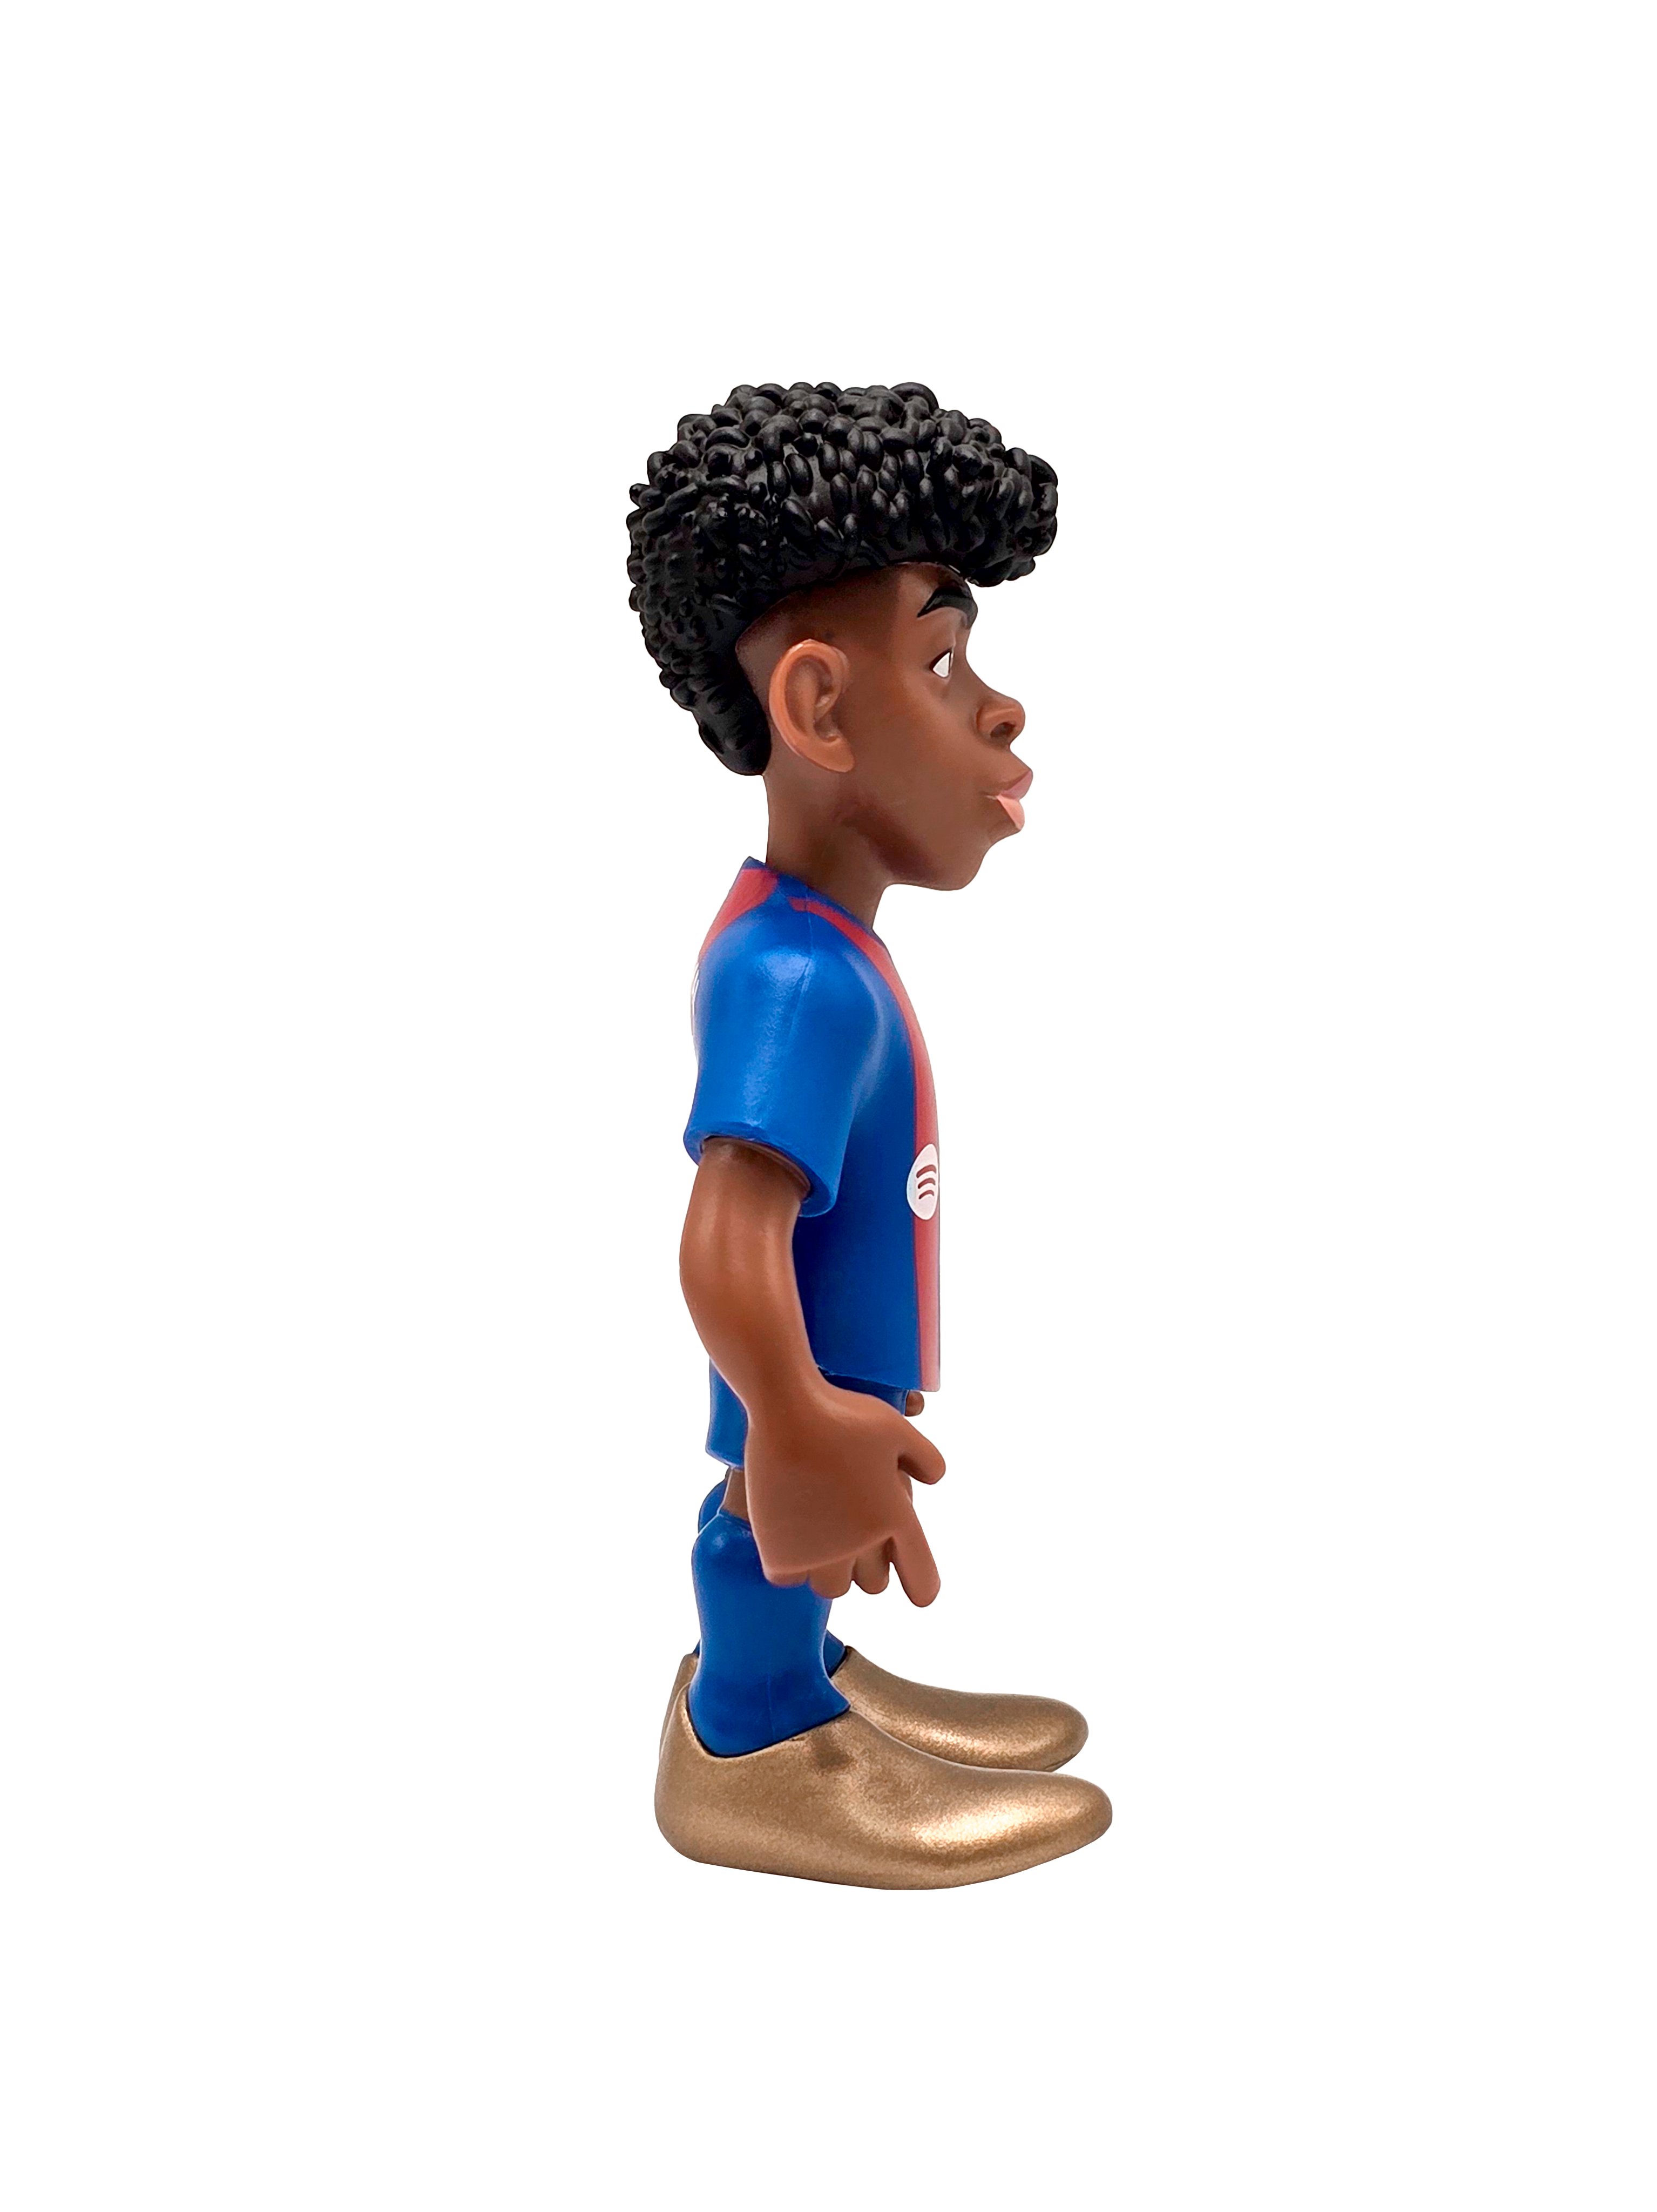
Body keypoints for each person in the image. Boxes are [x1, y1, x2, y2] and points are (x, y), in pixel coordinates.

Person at [626, 381, 1111, 1886]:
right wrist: (793, 1413)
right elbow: (726, 1230)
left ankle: (799, 1674)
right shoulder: (796, 978)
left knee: (788, 1535)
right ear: (821, 709)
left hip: (828, 1369)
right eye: (945, 661)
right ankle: (754, 1736)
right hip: (811, 1376)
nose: (998, 708)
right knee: (759, 1522)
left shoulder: (814, 944)